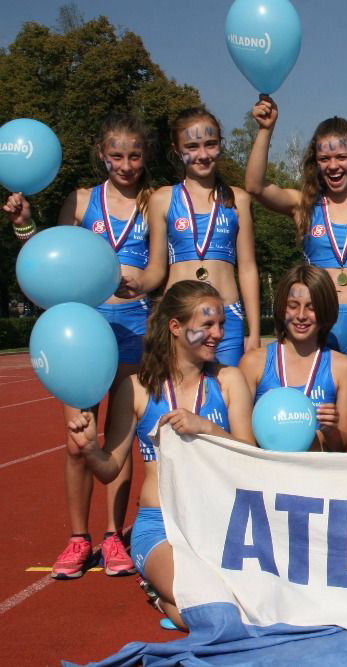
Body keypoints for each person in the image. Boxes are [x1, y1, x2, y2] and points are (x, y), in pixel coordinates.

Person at [4, 114, 165, 579]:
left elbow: (158, 268)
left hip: (136, 329)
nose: (126, 165)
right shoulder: (79, 200)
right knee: (78, 441)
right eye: (117, 155)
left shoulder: (155, 201)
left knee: (120, 441)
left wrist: (145, 281)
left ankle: (114, 536)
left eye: (135, 155)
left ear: (144, 156)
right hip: (81, 333)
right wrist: (24, 223)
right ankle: (78, 539)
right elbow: (46, 261)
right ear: (102, 154)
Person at [67, 280, 255, 630]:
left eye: (221, 325)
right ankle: (161, 592)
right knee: (218, 614)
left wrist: (208, 428)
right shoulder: (136, 388)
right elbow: (109, 469)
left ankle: (166, 598)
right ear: (176, 327)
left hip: (218, 524)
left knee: (251, 609)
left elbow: (252, 458)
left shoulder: (229, 380)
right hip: (159, 526)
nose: (218, 334)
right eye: (207, 325)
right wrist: (89, 448)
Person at [246, 98, 347, 376]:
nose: (333, 166)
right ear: (316, 164)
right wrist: (265, 130)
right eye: (324, 159)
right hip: (315, 321)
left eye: (341, 157)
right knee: (318, 409)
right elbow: (254, 185)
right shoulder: (304, 207)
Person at [147, 106, 260, 367]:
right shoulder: (162, 199)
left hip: (227, 317)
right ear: (177, 150)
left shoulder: (238, 199)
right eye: (192, 146)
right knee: (180, 397)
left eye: (210, 144)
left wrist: (253, 332)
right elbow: (155, 268)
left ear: (221, 144)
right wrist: (136, 284)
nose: (202, 154)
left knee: (225, 397)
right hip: (180, 317)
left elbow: (248, 268)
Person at [239, 264, 347, 451]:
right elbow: (242, 442)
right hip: (267, 475)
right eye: (292, 306)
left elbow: (342, 448)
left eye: (311, 308)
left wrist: (331, 430)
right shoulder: (253, 363)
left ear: (326, 309)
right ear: (281, 307)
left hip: (317, 475)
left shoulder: (343, 367)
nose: (301, 316)